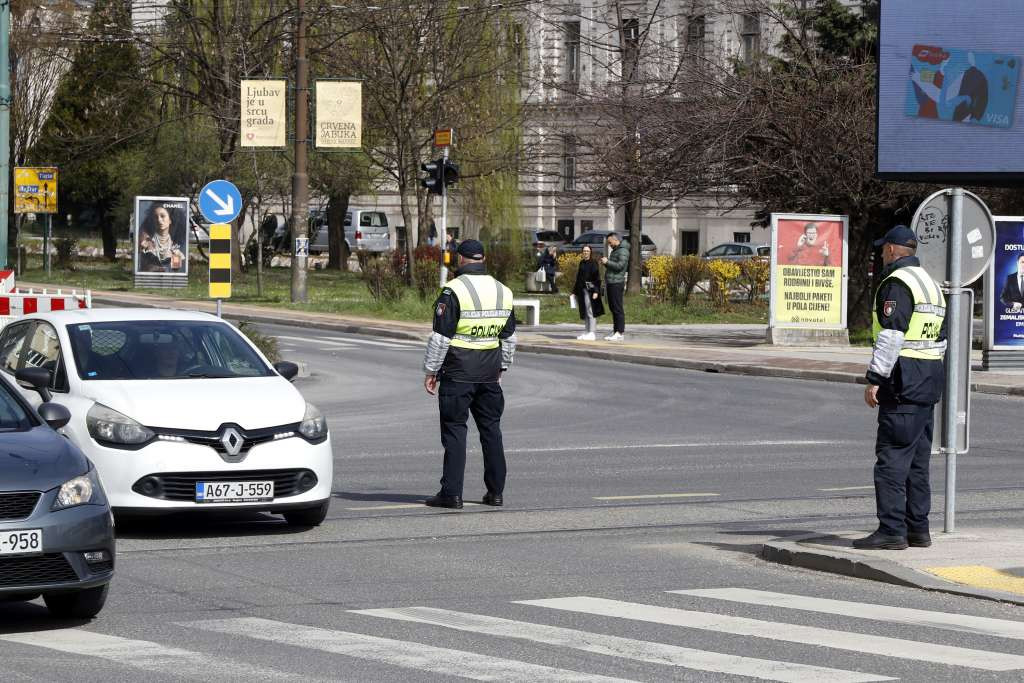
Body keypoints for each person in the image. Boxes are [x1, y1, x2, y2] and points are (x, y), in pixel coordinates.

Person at [856, 225, 947, 551]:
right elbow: (941, 340)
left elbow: (892, 335)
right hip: (928, 380)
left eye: (883, 249)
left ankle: (892, 531)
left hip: (903, 380)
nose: (881, 254)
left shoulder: (897, 283)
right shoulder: (931, 285)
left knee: (892, 459)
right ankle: (917, 530)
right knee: (918, 462)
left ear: (893, 250)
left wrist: (875, 379)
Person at [422, 239, 516, 509]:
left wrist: (431, 371)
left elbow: (441, 338)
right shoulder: (503, 291)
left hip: (458, 372)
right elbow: (509, 339)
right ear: (483, 259)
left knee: (454, 432)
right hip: (489, 372)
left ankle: (451, 494)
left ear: (460, 259)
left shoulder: (453, 291)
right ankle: (495, 492)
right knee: (491, 431)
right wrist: (502, 367)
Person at [139, 204, 186, 272]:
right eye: (155, 217)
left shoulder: (176, 247)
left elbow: (176, 271)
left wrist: (176, 259)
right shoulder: (146, 242)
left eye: (162, 216)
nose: (159, 220)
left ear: (170, 220)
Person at [600, 232, 629, 341]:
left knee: (617, 308)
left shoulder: (623, 250)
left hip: (617, 282)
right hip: (612, 282)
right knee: (613, 308)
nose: (609, 244)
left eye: (610, 242)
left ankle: (620, 332)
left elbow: (620, 266)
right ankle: (616, 330)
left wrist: (607, 262)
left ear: (615, 239)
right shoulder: (617, 250)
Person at [573, 245, 604, 340]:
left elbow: (597, 278)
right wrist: (574, 291)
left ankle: (592, 332)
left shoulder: (593, 263)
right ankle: (586, 331)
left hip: (590, 290)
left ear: (590, 252)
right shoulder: (582, 263)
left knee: (591, 311)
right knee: (585, 311)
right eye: (584, 251)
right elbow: (578, 278)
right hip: (582, 290)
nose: (585, 252)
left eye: (587, 251)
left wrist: (596, 291)